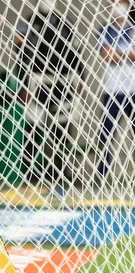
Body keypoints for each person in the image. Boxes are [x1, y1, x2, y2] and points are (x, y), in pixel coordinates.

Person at [13, 0, 84, 195]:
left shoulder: (65, 22)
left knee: (61, 128)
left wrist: (79, 81)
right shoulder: (28, 22)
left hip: (62, 83)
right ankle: (30, 171)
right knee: (33, 126)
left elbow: (77, 54)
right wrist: (23, 83)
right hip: (37, 81)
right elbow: (19, 53)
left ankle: (59, 170)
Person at [96, 0, 135, 192]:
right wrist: (128, 54)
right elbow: (107, 55)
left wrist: (121, 55)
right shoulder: (105, 30)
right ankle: (101, 175)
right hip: (112, 90)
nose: (119, 7)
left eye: (122, 4)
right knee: (107, 133)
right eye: (116, 4)